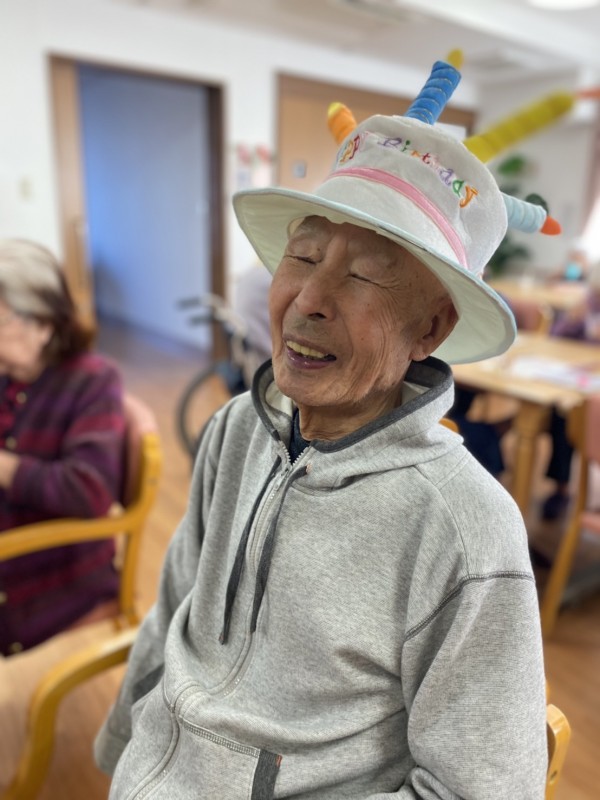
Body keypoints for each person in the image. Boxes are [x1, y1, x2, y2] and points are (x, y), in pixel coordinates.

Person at [95, 80, 548, 797]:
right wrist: (120, 755)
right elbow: (174, 607)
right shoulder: (234, 429)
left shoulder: (464, 529)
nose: (307, 301)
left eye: (363, 276)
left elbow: (478, 788)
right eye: (302, 259)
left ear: (429, 329)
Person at [0, 239, 127, 656]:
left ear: (43, 324)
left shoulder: (93, 382)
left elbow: (89, 490)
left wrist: (6, 468)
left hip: (50, 581)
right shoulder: (9, 376)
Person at [541, 258, 600, 519]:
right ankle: (561, 487)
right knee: (561, 416)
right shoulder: (587, 303)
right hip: (579, 383)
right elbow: (555, 339)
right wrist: (571, 321)